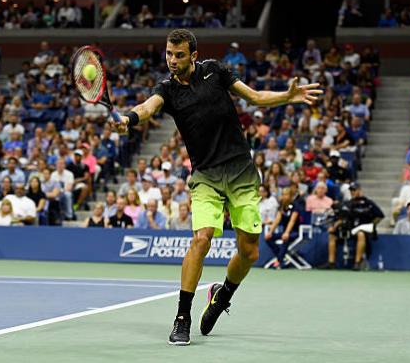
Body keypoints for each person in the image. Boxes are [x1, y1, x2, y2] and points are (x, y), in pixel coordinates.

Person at [112, 29, 321, 345]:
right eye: (169, 54)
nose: (172, 60)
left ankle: (222, 295)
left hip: (240, 172)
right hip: (206, 176)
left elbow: (253, 97)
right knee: (201, 239)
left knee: (249, 251)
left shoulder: (216, 70)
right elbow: (147, 108)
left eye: (179, 55)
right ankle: (183, 317)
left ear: (193, 55)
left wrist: (286, 96)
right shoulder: (166, 89)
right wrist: (128, 119)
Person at [326, 182, 383, 270]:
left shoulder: (368, 203)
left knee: (360, 234)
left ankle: (357, 262)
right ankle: (331, 263)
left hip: (363, 230)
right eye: (351, 190)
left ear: (359, 190)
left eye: (354, 190)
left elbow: (380, 216)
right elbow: (342, 217)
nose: (352, 192)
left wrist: (372, 225)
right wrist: (334, 226)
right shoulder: (348, 203)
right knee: (332, 236)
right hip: (350, 228)